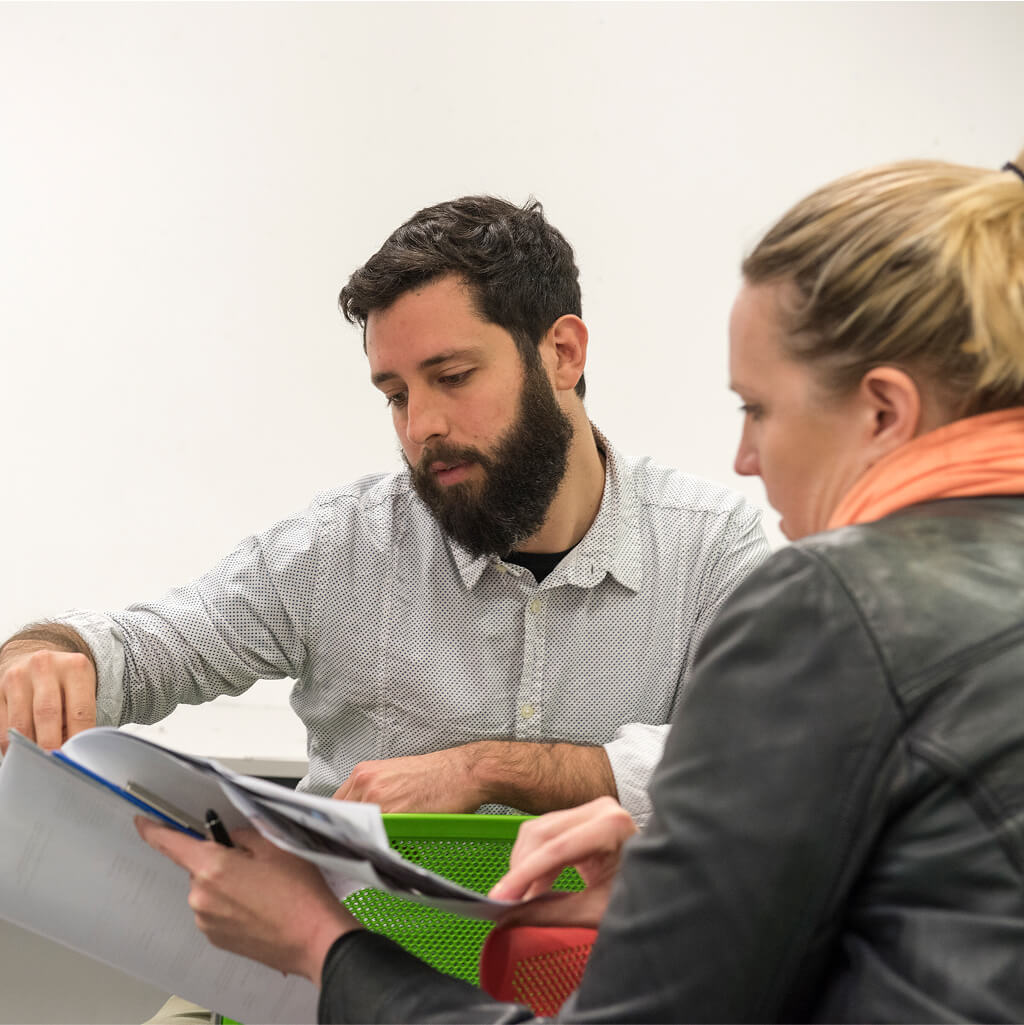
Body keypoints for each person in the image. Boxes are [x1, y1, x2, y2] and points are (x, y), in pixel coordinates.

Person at [141, 152, 1024, 1022]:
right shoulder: (339, 539)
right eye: (395, 395)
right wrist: (668, 882)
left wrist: (318, 944)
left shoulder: (818, 601)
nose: (744, 457)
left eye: (757, 409)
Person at [0, 195, 768, 827]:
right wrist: (41, 654)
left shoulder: (712, 549)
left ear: (563, 353)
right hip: (339, 967)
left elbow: (760, 757)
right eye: (396, 394)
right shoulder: (338, 547)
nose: (420, 425)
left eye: (453, 375)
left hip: (595, 985)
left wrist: (485, 769)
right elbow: (145, 647)